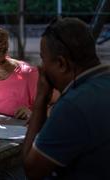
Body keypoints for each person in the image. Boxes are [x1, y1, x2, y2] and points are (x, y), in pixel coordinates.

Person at [23, 17, 110, 179]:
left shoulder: (72, 106)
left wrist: (41, 99)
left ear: (62, 64)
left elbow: (32, 170)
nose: (41, 67)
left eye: (43, 59)